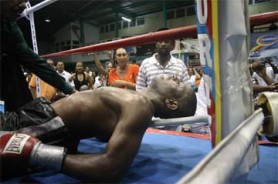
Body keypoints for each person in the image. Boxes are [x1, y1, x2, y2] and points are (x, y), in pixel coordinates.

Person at [0, 75, 197, 182]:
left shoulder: (140, 106)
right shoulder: (135, 99)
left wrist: (36, 152)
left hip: (37, 127)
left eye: (179, 84)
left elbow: (111, 169)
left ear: (171, 103)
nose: (176, 77)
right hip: (36, 119)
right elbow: (103, 133)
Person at [0, 0, 76, 112]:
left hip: (7, 75)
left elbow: (33, 61)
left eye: (25, 1)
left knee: (24, 112)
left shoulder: (9, 26)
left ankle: (20, 120)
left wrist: (69, 89)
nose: (23, 6)